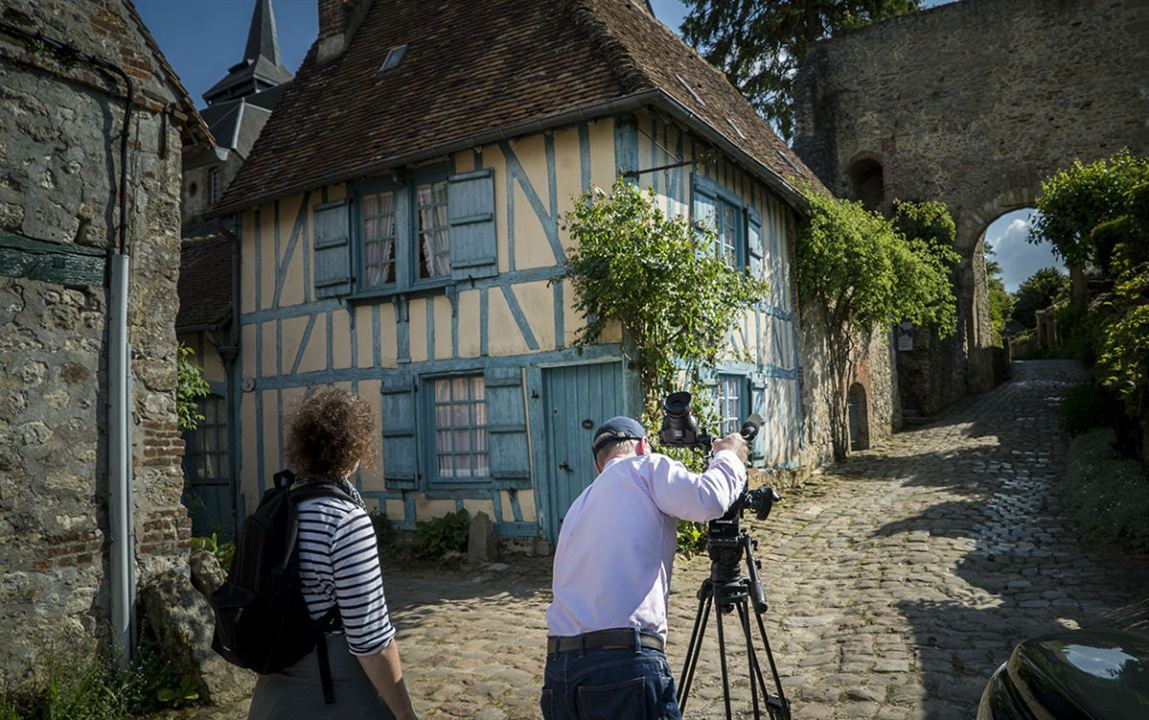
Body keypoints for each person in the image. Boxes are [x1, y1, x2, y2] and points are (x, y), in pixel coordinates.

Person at [542, 415, 749, 720]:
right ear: (643, 446)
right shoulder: (645, 467)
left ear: (599, 466)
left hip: (560, 672)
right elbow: (710, 498)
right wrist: (729, 454)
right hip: (622, 665)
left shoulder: (578, 506)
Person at [248, 387, 418, 720]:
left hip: (273, 693)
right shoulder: (344, 520)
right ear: (354, 452)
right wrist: (404, 712)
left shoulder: (275, 510)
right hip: (331, 692)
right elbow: (370, 636)